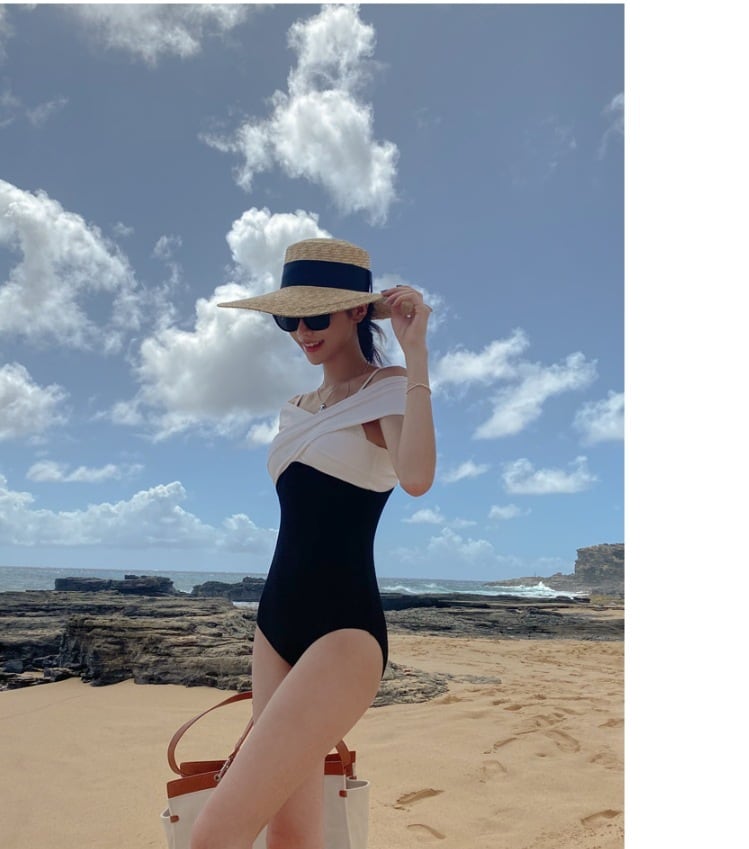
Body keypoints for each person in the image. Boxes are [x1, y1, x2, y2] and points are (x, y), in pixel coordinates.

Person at [191, 237, 436, 849]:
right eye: (288, 319)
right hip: (273, 626)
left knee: (212, 836)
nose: (302, 331)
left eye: (316, 316)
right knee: (291, 838)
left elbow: (416, 477)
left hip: (344, 635)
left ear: (356, 311)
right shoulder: (295, 409)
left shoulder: (387, 389)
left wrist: (416, 356)